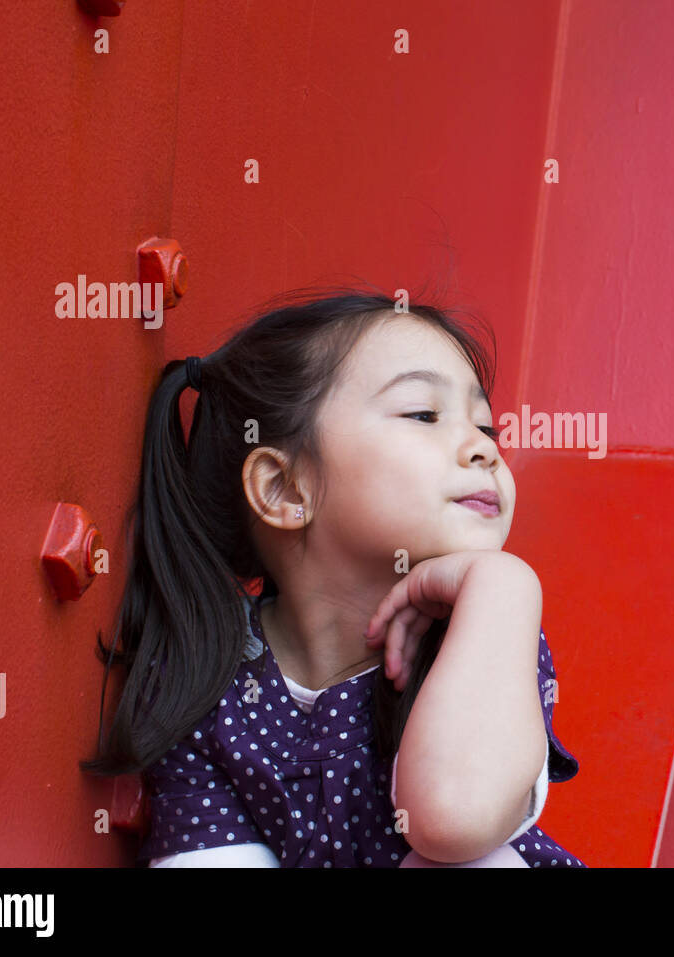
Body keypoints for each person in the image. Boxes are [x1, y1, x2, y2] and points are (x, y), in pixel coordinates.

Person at [80, 287, 584, 869]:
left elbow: (452, 820)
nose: (485, 452)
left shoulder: (483, 631)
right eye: (424, 414)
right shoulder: (209, 671)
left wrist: (505, 585)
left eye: (487, 429)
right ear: (284, 489)